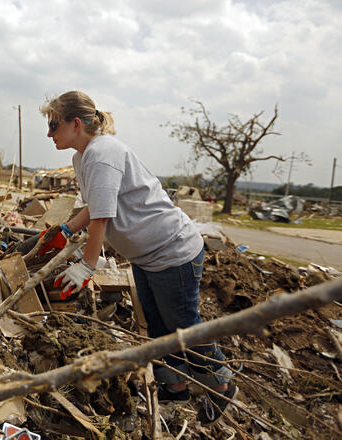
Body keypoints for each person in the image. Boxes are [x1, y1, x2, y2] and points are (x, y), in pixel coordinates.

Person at [37, 90, 237, 425]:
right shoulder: (83, 157)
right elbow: (94, 206)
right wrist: (67, 230)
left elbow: (102, 216)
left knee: (182, 323)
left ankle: (221, 384)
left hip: (173, 252)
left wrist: (86, 265)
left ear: (76, 123)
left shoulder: (102, 153)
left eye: (54, 125)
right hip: (148, 257)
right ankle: (176, 386)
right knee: (158, 325)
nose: (49, 133)